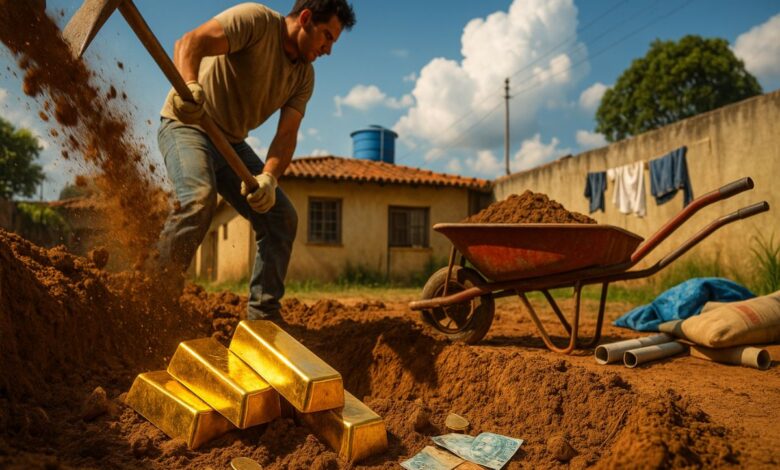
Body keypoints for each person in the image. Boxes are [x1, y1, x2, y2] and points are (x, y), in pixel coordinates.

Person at [156, 0, 356, 321]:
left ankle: (263, 318)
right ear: (305, 18)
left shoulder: (304, 76)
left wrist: (270, 178)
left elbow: (286, 135)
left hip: (231, 144)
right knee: (198, 200)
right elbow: (190, 42)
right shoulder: (256, 21)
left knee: (282, 218)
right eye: (327, 36)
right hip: (188, 125)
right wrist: (190, 86)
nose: (328, 49)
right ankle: (153, 296)